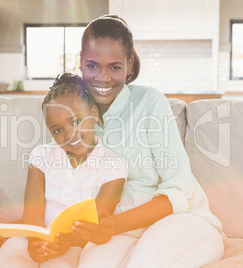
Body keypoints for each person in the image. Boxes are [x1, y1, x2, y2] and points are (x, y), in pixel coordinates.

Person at [66, 15, 225, 267]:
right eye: (92, 65)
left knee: (147, 260)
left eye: (114, 67)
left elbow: (179, 189)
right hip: (117, 230)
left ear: (129, 65)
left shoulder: (150, 102)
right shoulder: (69, 114)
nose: (102, 78)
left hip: (180, 220)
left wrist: (114, 224)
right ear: (81, 64)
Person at [0, 73, 127, 267]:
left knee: (62, 264)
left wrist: (64, 243)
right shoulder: (42, 156)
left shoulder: (114, 165)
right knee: (13, 251)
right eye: (57, 130)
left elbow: (96, 223)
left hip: (74, 243)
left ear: (94, 112)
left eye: (76, 121)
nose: (69, 135)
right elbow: (33, 213)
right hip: (37, 234)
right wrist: (35, 241)